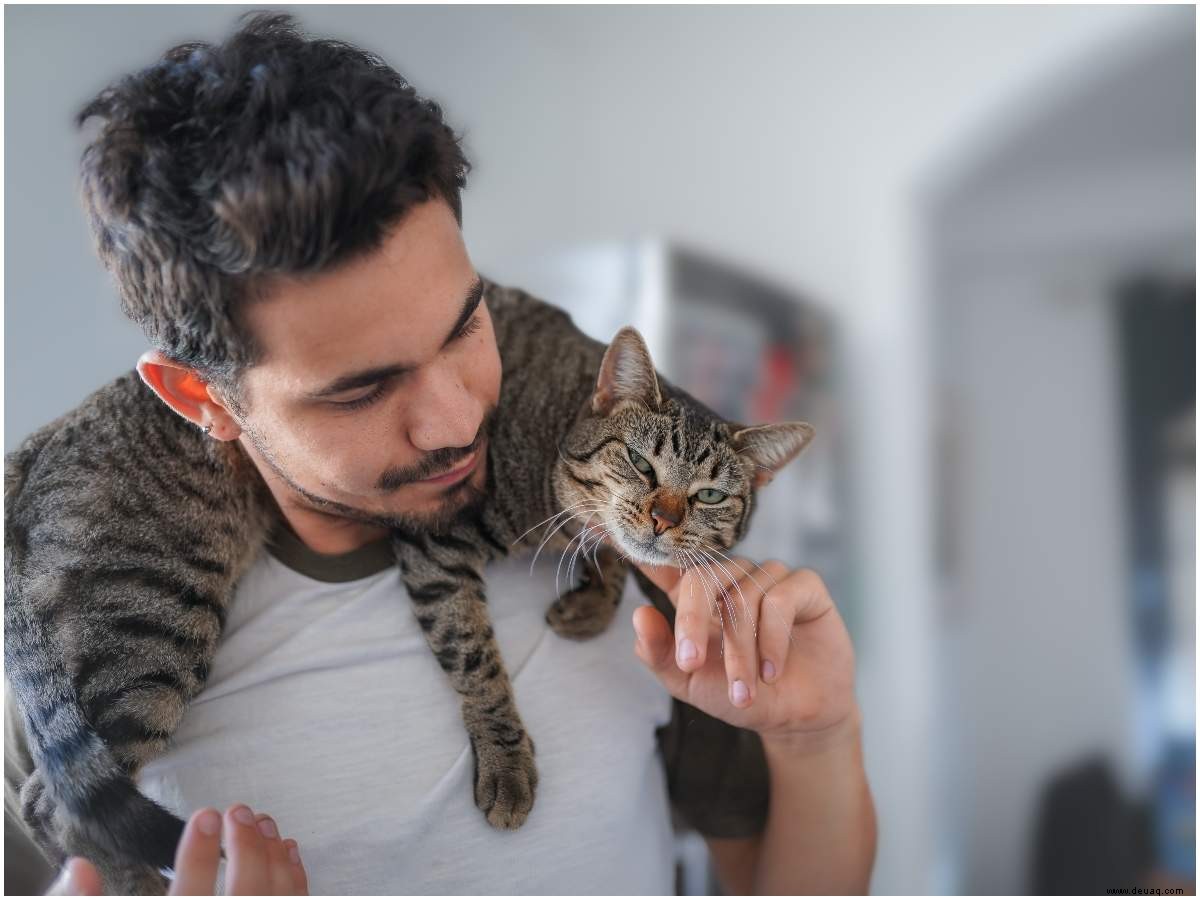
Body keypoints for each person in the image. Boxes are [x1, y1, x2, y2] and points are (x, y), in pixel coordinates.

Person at [6, 10, 876, 895]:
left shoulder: (639, 563)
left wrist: (819, 738)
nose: (457, 423)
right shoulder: (77, 638)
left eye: (465, 326)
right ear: (203, 398)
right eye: (362, 388)